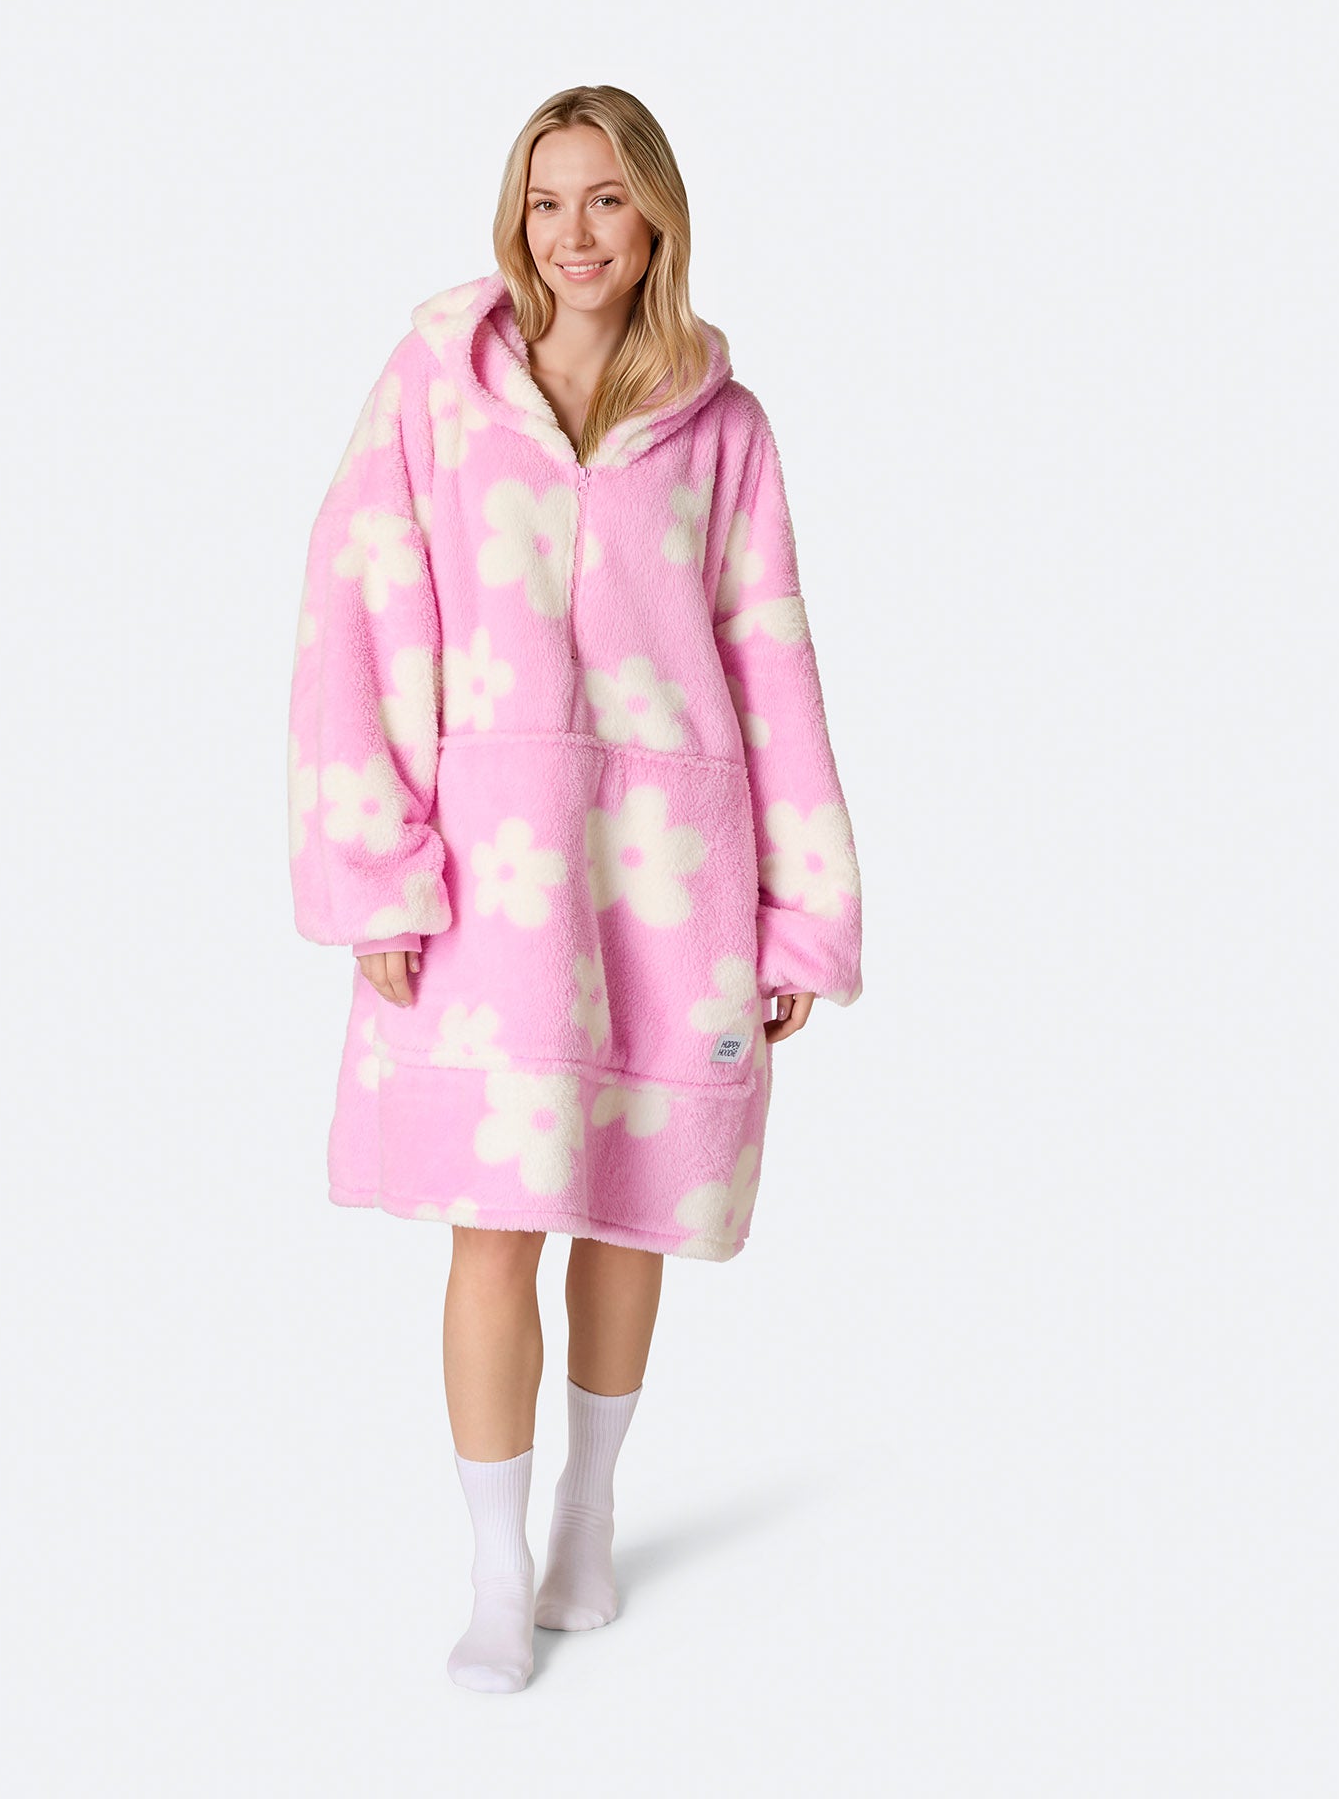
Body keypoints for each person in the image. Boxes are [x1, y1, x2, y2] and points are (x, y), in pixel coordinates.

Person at [285, 84, 863, 1693]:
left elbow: (773, 659)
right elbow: (354, 613)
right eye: (547, 202)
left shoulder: (724, 427)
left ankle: (590, 1513)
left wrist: (799, 906)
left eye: (606, 199)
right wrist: (379, 871)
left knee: (628, 1210)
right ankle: (493, 1565)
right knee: (493, 1224)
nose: (574, 233)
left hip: (671, 877)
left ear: (656, 215)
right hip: (488, 875)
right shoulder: (438, 385)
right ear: (515, 216)